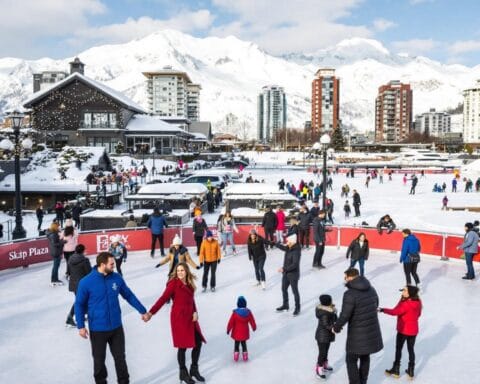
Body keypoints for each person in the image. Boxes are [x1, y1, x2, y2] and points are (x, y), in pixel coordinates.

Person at [75, 252, 148, 384]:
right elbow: (79, 305)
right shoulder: (86, 282)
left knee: (120, 358)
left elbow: (128, 295)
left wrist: (142, 310)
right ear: (102, 264)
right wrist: (80, 326)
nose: (114, 266)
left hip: (116, 328)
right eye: (111, 264)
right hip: (98, 329)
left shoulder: (116, 278)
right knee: (99, 361)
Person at [145, 263, 206, 384]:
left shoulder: (189, 284)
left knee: (198, 342)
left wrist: (195, 312)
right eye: (178, 271)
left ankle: (194, 369)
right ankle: (183, 373)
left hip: (191, 317)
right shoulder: (173, 284)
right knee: (182, 346)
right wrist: (151, 313)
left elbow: (191, 300)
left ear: (186, 271)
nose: (180, 272)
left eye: (182, 270)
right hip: (179, 317)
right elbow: (163, 299)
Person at [333, 268, 383, 384]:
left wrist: (336, 327)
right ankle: (363, 381)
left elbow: (345, 315)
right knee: (365, 357)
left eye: (345, 277)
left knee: (351, 359)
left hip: (357, 333)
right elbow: (376, 304)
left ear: (350, 277)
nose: (344, 280)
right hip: (371, 330)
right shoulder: (371, 289)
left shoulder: (350, 294)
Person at [380, 285, 422, 380]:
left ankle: (396, 369)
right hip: (413, 330)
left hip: (403, 330)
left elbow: (395, 312)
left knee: (399, 349)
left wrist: (383, 310)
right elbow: (418, 314)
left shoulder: (405, 304)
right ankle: (411, 371)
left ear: (409, 293)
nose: (403, 291)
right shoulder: (418, 302)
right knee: (411, 349)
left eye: (405, 290)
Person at [271, 233, 301, 316]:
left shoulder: (296, 251)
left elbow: (295, 264)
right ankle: (285, 305)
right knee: (284, 289)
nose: (286, 242)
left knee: (295, 291)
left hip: (293, 274)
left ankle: (297, 308)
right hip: (286, 273)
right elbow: (283, 247)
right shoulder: (289, 247)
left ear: (292, 241)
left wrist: (284, 269)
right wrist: (275, 243)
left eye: (287, 241)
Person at [66, 244, 91, 327]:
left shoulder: (70, 259)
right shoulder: (85, 260)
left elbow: (68, 272)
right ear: (83, 251)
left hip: (73, 284)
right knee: (81, 301)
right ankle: (70, 317)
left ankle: (81, 316)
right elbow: (89, 273)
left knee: (81, 300)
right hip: (82, 284)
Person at [227, 296, 257, 362]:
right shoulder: (248, 312)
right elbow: (252, 321)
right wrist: (254, 327)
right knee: (244, 344)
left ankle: (236, 356)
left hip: (236, 333)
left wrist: (228, 329)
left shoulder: (235, 313)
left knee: (236, 344)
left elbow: (230, 322)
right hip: (244, 333)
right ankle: (245, 356)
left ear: (238, 304)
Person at [315, 294, 337, 379]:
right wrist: (333, 329)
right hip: (322, 336)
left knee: (326, 351)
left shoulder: (330, 310)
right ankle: (319, 368)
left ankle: (324, 364)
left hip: (326, 335)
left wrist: (334, 312)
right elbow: (326, 324)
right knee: (322, 352)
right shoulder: (324, 313)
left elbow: (335, 319)